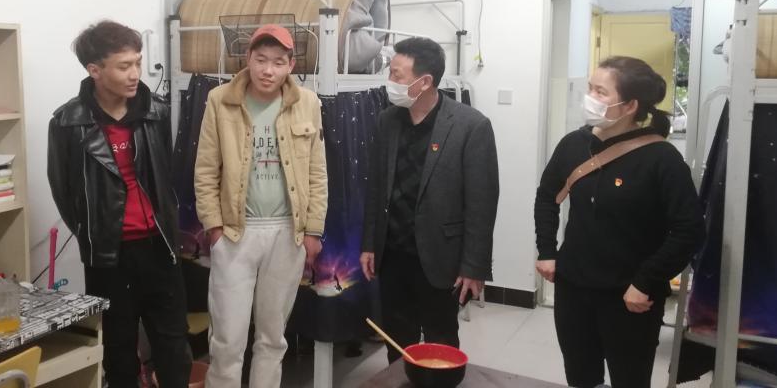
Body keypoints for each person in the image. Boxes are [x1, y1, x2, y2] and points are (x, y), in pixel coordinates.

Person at [534, 56, 705, 388]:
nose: (590, 98)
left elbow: (690, 230)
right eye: (590, 88)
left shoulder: (662, 159)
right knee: (580, 376)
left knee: (630, 380)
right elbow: (546, 196)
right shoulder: (574, 144)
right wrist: (547, 250)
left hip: (630, 297)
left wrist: (646, 281)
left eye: (601, 92)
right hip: (573, 289)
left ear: (629, 106)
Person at [47, 20, 190, 388]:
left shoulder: (156, 112)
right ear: (95, 70)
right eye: (124, 66)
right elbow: (63, 191)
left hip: (160, 247)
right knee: (119, 352)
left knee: (174, 349)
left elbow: (167, 176)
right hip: (109, 256)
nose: (135, 74)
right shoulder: (67, 122)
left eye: (138, 63)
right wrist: (92, 234)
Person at [194, 24, 327, 388]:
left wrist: (313, 229)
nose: (268, 70)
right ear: (248, 59)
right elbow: (205, 169)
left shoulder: (308, 103)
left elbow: (317, 171)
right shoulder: (220, 100)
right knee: (227, 339)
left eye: (278, 62)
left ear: (291, 65)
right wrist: (214, 228)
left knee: (272, 338)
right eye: (261, 60)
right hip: (235, 233)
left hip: (288, 233)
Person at [360, 37, 499, 363]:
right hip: (393, 254)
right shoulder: (387, 120)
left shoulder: (471, 126)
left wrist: (474, 266)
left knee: (441, 341)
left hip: (441, 258)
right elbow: (376, 187)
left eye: (397, 75)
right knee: (397, 341)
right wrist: (369, 244)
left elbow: (482, 203)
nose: (389, 81)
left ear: (424, 82)